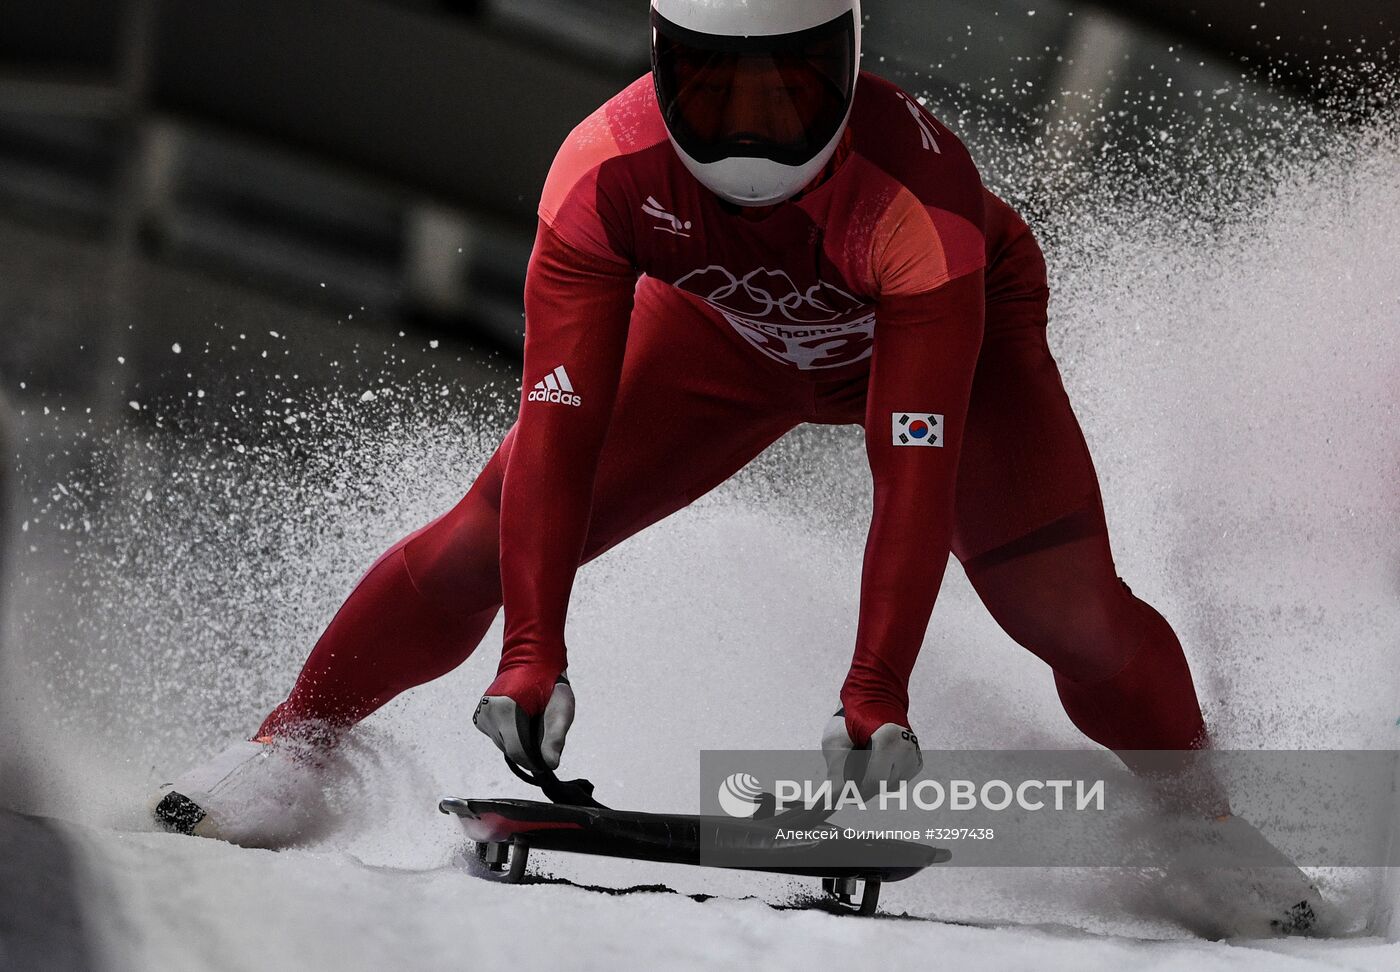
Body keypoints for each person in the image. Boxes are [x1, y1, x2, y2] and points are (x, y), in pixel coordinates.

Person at [153, 0, 1328, 935]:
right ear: (659, 63)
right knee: (489, 531)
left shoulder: (915, 199)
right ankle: (291, 745)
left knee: (1066, 611)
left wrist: (875, 692)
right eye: (714, 89)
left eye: (790, 89)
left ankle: (1197, 819)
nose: (754, 126)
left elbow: (905, 476)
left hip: (948, 339)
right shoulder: (600, 170)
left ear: (850, 63)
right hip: (724, 345)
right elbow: (556, 428)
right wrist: (530, 655)